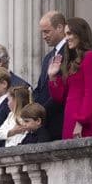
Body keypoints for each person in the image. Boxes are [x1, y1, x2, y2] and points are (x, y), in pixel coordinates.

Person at [47, 17, 92, 139]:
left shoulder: (91, 57)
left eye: (69, 33)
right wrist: (52, 77)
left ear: (80, 33)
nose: (66, 38)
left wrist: (81, 122)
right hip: (69, 120)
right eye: (65, 34)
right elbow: (60, 97)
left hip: (81, 122)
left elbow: (90, 94)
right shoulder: (73, 62)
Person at [33, 11, 68, 140]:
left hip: (60, 120)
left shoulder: (70, 52)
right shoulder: (48, 57)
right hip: (45, 123)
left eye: (47, 31)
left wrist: (40, 111)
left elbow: (64, 88)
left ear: (59, 28)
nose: (44, 36)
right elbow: (41, 87)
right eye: (42, 32)